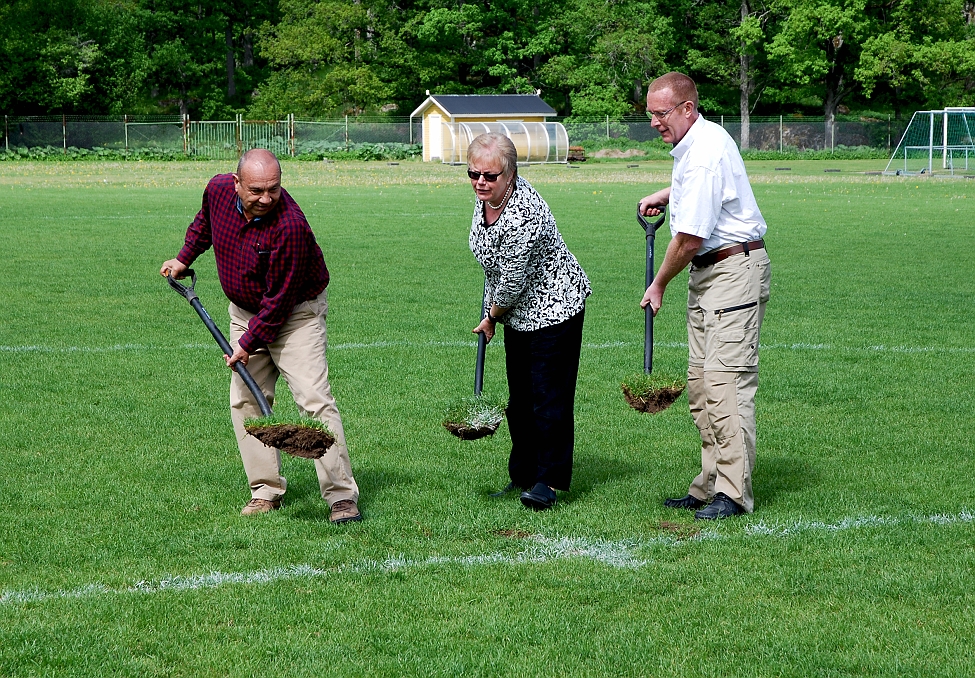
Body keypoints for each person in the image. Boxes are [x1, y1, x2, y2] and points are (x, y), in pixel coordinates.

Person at [160, 148, 362, 523]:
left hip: (295, 314)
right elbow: (205, 222)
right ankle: (265, 490)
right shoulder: (218, 190)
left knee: (315, 402)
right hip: (245, 310)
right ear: (236, 183)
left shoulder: (290, 227)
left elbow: (280, 300)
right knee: (245, 402)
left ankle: (341, 496)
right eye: (256, 190)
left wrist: (246, 345)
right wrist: (185, 258)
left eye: (274, 189)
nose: (266, 198)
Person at [638, 72, 771, 520]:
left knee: (725, 385)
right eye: (651, 114)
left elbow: (690, 238)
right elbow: (699, 190)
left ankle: (733, 494)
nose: (655, 122)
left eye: (661, 113)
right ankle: (710, 484)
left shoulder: (704, 153)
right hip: (711, 275)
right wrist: (667, 192)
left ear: (687, 109)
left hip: (733, 271)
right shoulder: (696, 145)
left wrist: (658, 284)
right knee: (700, 384)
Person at [467, 133, 591, 511]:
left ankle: (548, 482)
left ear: (511, 173)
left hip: (555, 309)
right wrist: (494, 312)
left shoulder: (525, 212)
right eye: (473, 173)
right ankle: (522, 474)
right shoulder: (486, 200)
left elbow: (513, 279)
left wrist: (491, 316)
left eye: (490, 175)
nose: (480, 182)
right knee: (520, 401)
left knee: (547, 400)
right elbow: (494, 264)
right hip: (518, 313)